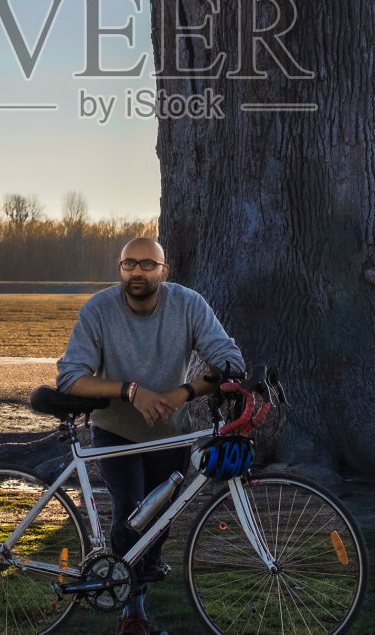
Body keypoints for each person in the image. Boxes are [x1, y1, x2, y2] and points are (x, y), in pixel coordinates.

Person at [57, 236, 244, 635]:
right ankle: (131, 610)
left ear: (164, 271)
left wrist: (182, 394)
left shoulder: (188, 304)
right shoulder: (99, 310)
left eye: (147, 264)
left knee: (160, 519)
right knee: (131, 511)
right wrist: (130, 391)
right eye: (129, 264)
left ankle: (138, 585)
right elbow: (70, 377)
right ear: (120, 269)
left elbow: (229, 359)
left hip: (170, 434)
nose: (137, 271)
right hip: (115, 430)